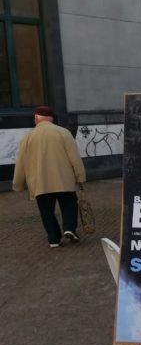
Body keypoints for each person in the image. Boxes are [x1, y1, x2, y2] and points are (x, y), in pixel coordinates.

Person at [12, 106, 86, 248]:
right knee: (69, 204)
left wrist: (18, 184)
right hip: (64, 180)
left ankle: (53, 239)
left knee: (46, 211)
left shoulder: (28, 137)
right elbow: (74, 158)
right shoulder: (63, 133)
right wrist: (80, 176)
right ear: (51, 119)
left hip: (40, 183)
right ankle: (69, 228)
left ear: (36, 118)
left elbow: (21, 162)